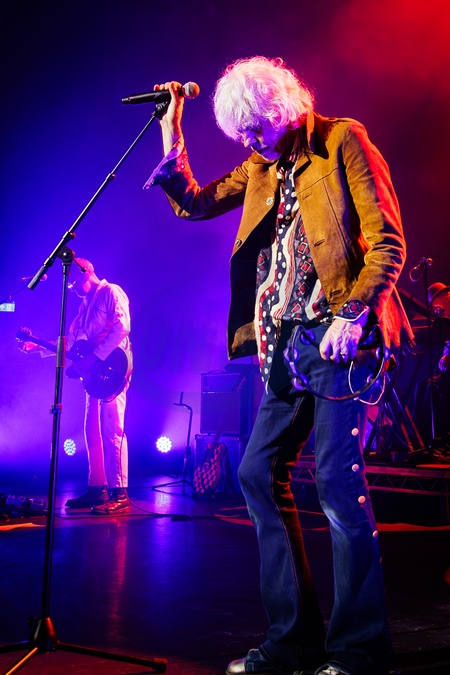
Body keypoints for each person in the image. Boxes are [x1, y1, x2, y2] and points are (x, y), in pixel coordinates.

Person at [145, 57, 414, 675]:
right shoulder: (261, 165)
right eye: (239, 131)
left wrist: (354, 314)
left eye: (255, 127)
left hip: (340, 338)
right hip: (284, 345)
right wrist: (171, 127)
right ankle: (293, 642)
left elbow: (388, 242)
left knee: (339, 486)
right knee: (257, 472)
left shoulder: (342, 141)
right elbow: (195, 202)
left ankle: (359, 651)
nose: (248, 140)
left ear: (282, 110)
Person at [18, 258, 133, 514]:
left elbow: (122, 328)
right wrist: (36, 346)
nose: (72, 289)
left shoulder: (111, 292)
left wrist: (96, 357)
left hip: (113, 370)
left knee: (112, 429)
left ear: (85, 273)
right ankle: (97, 487)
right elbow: (71, 342)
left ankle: (120, 493)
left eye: (73, 283)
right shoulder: (84, 307)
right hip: (94, 375)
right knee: (91, 429)